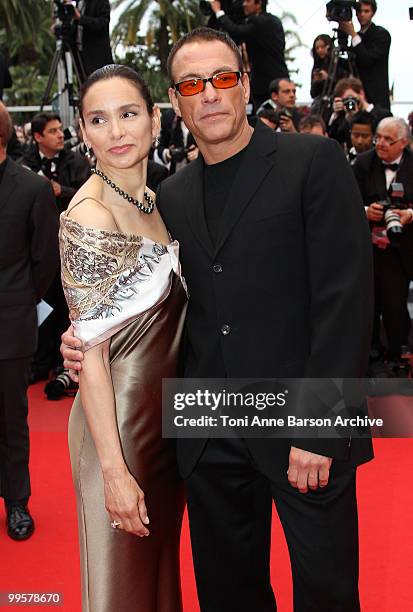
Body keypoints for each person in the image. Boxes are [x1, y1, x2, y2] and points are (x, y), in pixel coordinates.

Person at [62, 28, 374, 612]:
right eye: (191, 84)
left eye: (222, 79)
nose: (209, 94)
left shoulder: (312, 162)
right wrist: (85, 337)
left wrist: (319, 425)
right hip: (208, 434)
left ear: (245, 84)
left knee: (327, 591)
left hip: (302, 430)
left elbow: (346, 300)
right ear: (176, 104)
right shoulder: (169, 197)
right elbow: (150, 301)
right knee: (228, 596)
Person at [59, 64, 187, 612]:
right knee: (121, 594)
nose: (116, 132)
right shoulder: (90, 212)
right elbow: (92, 354)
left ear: (155, 120)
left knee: (156, 585)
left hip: (164, 428)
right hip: (118, 432)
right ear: (84, 133)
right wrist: (113, 473)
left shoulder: (157, 202)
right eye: (99, 119)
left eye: (128, 114)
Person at [0, 102, 59, 540]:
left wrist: (19, 301)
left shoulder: (30, 189)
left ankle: (16, 501)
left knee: (10, 417)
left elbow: (45, 263)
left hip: (10, 322)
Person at [21, 112, 91, 385]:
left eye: (60, 129)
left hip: (73, 246)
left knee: (68, 307)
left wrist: (61, 190)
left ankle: (70, 366)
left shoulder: (76, 161)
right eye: (52, 131)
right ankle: (42, 361)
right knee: (43, 303)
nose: (60, 135)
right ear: (38, 137)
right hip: (39, 248)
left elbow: (88, 193)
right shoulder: (25, 164)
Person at [353, 117, 413, 371]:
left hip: (403, 248)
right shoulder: (364, 162)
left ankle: (397, 353)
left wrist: (410, 214)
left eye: (389, 139)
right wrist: (366, 211)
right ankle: (370, 352)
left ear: (405, 142)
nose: (381, 144)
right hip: (367, 247)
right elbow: (345, 198)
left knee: (395, 304)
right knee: (367, 303)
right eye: (379, 137)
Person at [209, 0, 288, 109]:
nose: (244, 4)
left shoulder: (259, 22)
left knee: (267, 118)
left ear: (259, 3)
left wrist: (218, 12)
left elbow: (236, 31)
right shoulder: (274, 20)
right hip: (280, 77)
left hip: (266, 84)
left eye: (248, 1)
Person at [339, 0, 391, 110]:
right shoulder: (357, 37)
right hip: (357, 98)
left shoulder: (381, 34)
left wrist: (353, 34)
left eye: (366, 11)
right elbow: (351, 65)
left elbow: (366, 59)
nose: (362, 14)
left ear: (373, 13)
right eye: (359, 11)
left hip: (376, 99)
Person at [328, 76, 390, 149]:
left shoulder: (383, 114)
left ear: (361, 93)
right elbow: (334, 138)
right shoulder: (345, 117)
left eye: (350, 98)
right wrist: (336, 115)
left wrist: (356, 116)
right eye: (345, 101)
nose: (349, 103)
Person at [69, 0, 114, 77]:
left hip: (96, 56)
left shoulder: (100, 2)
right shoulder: (79, 2)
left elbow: (102, 23)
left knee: (98, 83)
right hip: (79, 53)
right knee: (84, 84)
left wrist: (81, 18)